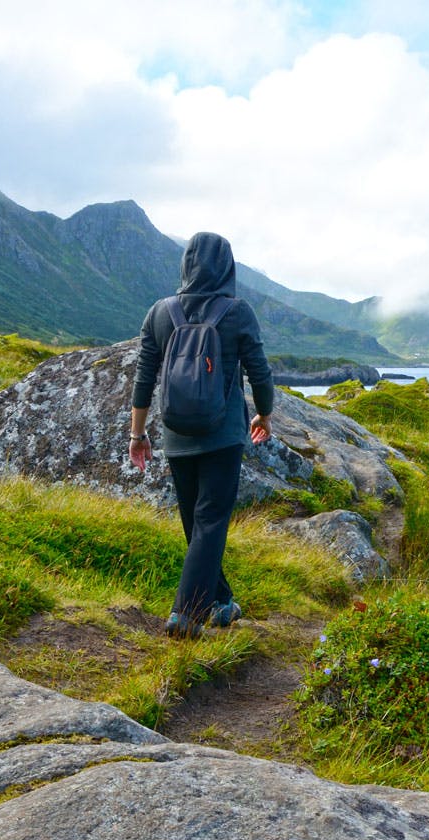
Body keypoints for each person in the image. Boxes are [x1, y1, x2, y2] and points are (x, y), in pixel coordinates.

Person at [128, 232, 274, 639]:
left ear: (186, 265)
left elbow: (144, 378)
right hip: (223, 435)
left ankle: (222, 603)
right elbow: (260, 373)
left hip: (176, 434)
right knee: (209, 521)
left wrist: (138, 434)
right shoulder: (237, 312)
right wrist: (264, 413)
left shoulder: (160, 312)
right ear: (227, 267)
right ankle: (186, 614)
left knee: (197, 522)